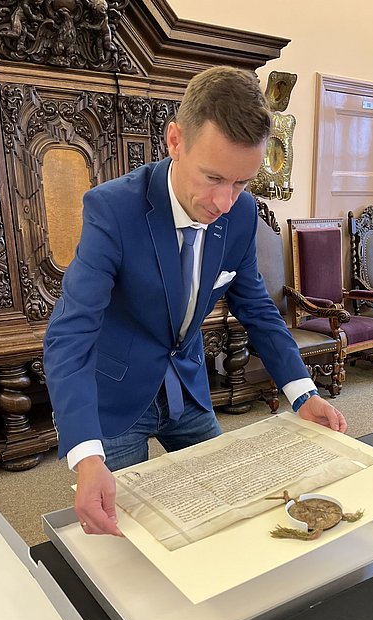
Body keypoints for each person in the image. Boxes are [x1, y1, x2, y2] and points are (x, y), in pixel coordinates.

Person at [44, 65, 347, 537]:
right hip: (117, 394)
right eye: (213, 177)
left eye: (241, 183)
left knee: (225, 510)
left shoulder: (242, 213)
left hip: (187, 385)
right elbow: (70, 334)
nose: (225, 201)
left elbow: (258, 309)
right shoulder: (113, 209)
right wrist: (85, 455)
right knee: (123, 534)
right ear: (175, 141)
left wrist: (303, 394)